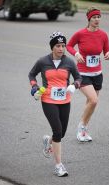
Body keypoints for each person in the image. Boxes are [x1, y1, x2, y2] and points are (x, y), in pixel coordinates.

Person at [28, 31, 82, 177]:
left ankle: (48, 141)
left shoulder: (69, 62)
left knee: (61, 133)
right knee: (57, 130)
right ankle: (59, 165)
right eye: (58, 46)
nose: (61, 49)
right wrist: (35, 88)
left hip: (65, 100)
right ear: (52, 47)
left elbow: (78, 77)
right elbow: (32, 74)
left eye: (63, 46)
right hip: (48, 99)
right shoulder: (43, 61)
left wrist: (74, 85)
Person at [66, 6, 109, 142]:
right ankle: (81, 128)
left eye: (98, 17)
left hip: (97, 74)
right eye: (94, 17)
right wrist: (76, 53)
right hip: (82, 73)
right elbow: (69, 45)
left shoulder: (103, 35)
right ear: (89, 19)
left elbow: (107, 50)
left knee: (91, 103)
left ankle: (84, 130)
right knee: (93, 100)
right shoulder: (80, 34)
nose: (97, 19)